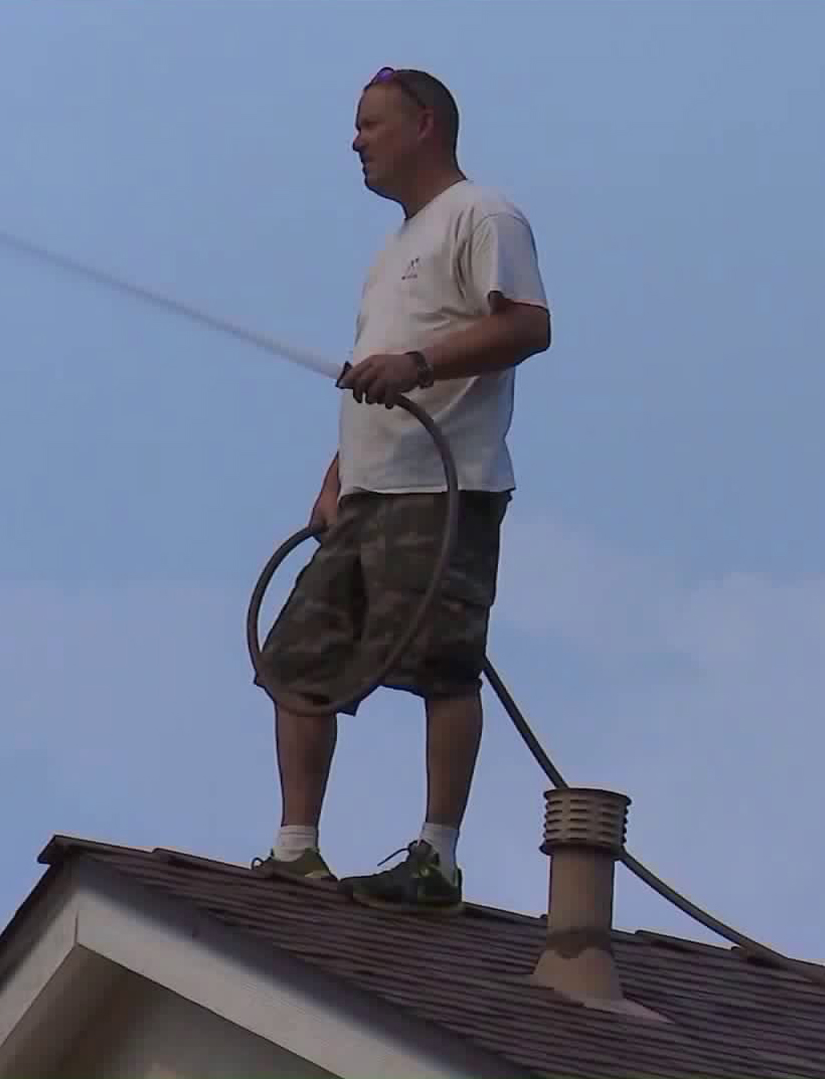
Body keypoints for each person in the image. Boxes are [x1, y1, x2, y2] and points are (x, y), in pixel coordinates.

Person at [251, 67, 552, 915]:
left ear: (424, 125)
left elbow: (529, 324)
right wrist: (336, 475)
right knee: (298, 658)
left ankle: (436, 855)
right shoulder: (393, 252)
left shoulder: (481, 215)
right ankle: (296, 846)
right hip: (371, 491)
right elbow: (377, 366)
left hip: (442, 489)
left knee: (442, 663)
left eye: (369, 124)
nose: (355, 142)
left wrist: (419, 366)